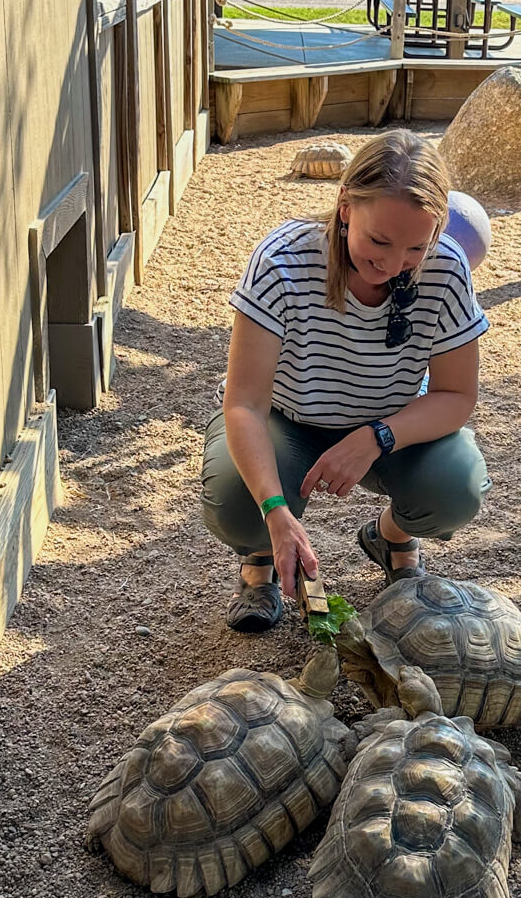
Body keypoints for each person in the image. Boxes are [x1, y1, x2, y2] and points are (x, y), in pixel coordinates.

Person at [201, 129, 491, 633]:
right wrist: (274, 508)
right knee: (238, 503)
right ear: (344, 206)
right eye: (378, 241)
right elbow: (244, 404)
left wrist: (377, 436)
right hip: (286, 423)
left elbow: (457, 395)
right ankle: (260, 561)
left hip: (390, 428)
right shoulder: (281, 261)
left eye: (414, 249)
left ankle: (391, 537)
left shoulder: (446, 267)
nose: (392, 264)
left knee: (456, 489)